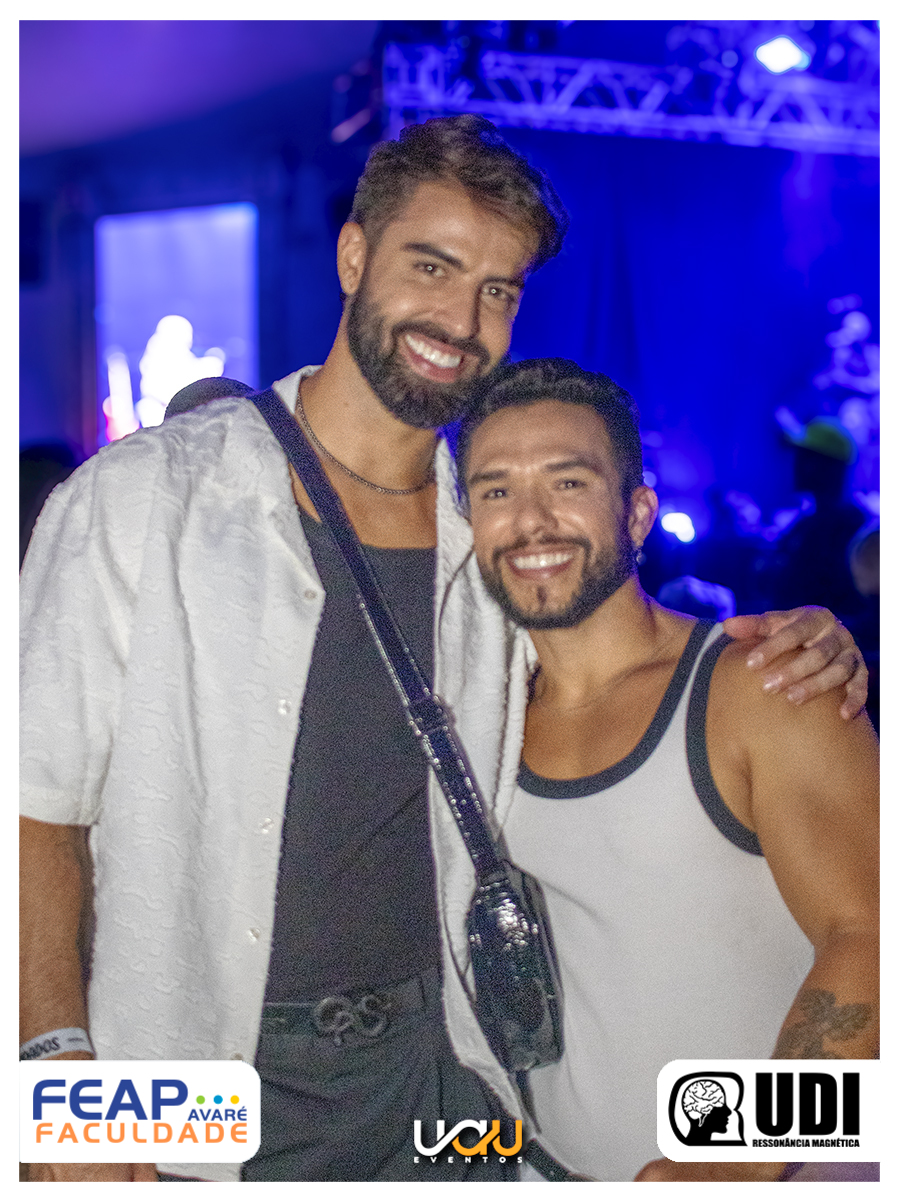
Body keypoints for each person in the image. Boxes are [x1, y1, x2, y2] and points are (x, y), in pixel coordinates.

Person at [20, 117, 866, 1184]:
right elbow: (32, 804)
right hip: (189, 1071)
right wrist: (58, 1087)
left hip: (447, 1082)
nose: (462, 320)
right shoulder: (151, 497)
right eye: (432, 266)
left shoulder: (498, 541)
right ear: (353, 255)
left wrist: (816, 640)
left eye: (498, 289)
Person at [456, 358, 879, 1183]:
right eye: (496, 490)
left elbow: (873, 933)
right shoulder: (478, 714)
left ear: (638, 512)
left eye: (568, 482)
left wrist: (744, 1156)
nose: (531, 521)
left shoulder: (764, 685)